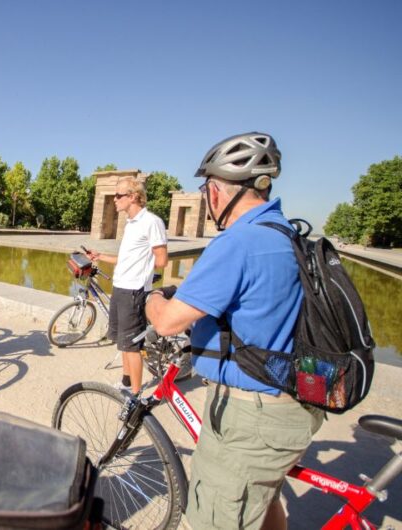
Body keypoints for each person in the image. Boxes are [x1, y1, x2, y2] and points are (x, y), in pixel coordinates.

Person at [145, 132, 324, 530]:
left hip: (250, 416)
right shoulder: (287, 235)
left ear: (214, 192)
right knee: (262, 503)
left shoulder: (239, 242)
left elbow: (169, 320)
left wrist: (152, 299)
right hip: (291, 401)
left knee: (214, 518)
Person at [85, 177, 168, 395]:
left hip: (134, 290)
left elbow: (161, 259)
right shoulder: (131, 224)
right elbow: (126, 257)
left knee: (132, 346)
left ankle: (136, 394)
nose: (115, 199)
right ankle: (126, 382)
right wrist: (100, 256)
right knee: (123, 342)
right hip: (120, 287)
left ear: (133, 197)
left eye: (119, 195)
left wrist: (144, 271)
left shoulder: (151, 222)